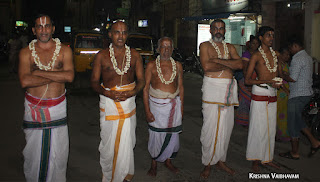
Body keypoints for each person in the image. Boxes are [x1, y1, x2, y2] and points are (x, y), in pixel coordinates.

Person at [18, 14, 74, 182]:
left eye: (47, 26)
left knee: (59, 155)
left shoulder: (64, 50)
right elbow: (25, 81)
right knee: (33, 155)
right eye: (40, 27)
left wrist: (38, 72)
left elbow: (70, 76)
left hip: (57, 109)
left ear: (53, 28)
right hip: (34, 110)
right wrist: (58, 75)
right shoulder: (25, 52)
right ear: (34, 30)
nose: (44, 30)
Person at [91, 21, 145, 182]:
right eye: (117, 32)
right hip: (109, 102)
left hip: (128, 102)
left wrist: (133, 92)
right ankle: (109, 175)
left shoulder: (135, 55)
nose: (120, 36)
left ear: (127, 35)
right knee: (108, 144)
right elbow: (94, 82)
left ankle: (122, 177)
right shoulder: (101, 55)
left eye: (124, 32)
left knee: (128, 142)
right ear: (110, 34)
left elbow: (141, 80)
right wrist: (107, 93)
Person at [199, 19, 243, 179]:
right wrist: (229, 64)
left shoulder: (231, 47)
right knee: (210, 129)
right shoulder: (204, 46)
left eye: (221, 28)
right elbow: (206, 67)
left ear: (225, 31)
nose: (218, 31)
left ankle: (220, 160)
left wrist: (217, 61)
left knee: (226, 128)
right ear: (210, 30)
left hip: (229, 91)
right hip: (212, 91)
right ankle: (208, 163)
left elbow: (240, 65)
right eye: (216, 28)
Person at [143, 37, 184, 176]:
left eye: (169, 47)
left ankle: (168, 161)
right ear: (158, 49)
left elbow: (181, 87)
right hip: (157, 106)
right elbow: (145, 89)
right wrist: (147, 111)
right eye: (163, 47)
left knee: (173, 136)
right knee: (155, 135)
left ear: (172, 49)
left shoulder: (178, 65)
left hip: (173, 106)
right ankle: (153, 163)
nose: (166, 50)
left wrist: (182, 109)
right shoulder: (151, 65)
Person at [245, 26, 284, 172]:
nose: (271, 38)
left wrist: (279, 82)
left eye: (272, 35)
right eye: (268, 35)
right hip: (260, 92)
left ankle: (267, 159)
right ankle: (255, 160)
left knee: (270, 128)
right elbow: (247, 80)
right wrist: (265, 82)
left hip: (272, 93)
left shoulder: (277, 54)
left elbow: (279, 74)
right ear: (261, 38)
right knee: (257, 128)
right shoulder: (256, 56)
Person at [279, 37, 320, 160]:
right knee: (296, 121)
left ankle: (297, 151)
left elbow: (292, 78)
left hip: (297, 95)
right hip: (306, 93)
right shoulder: (307, 57)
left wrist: (281, 74)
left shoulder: (297, 58)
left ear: (295, 46)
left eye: (290, 48)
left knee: (293, 123)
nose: (290, 51)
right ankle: (311, 143)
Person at [235, 35, 259, 127]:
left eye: (257, 44)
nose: (255, 45)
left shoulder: (257, 54)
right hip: (245, 80)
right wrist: (247, 82)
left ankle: (248, 120)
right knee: (246, 100)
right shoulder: (246, 54)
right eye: (253, 43)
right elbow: (245, 70)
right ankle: (243, 121)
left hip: (253, 80)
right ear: (250, 44)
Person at [276, 47, 291, 142]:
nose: (288, 56)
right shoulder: (278, 65)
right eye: (286, 54)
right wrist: (286, 90)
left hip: (285, 91)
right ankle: (279, 134)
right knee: (280, 113)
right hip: (281, 91)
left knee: (284, 114)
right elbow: (279, 79)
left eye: (289, 55)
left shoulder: (285, 64)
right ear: (280, 54)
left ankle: (283, 133)